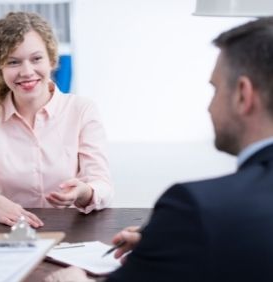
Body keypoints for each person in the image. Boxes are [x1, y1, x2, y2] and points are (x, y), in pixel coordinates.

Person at [45, 17, 273, 282]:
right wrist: (174, 245)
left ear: (242, 95)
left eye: (216, 89)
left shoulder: (194, 208)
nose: (209, 107)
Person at [0, 11, 114, 228]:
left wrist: (84, 193)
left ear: (52, 60)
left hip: (72, 233)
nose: (27, 72)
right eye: (13, 62)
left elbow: (104, 187)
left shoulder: (81, 110)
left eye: (36, 59)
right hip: (12, 233)